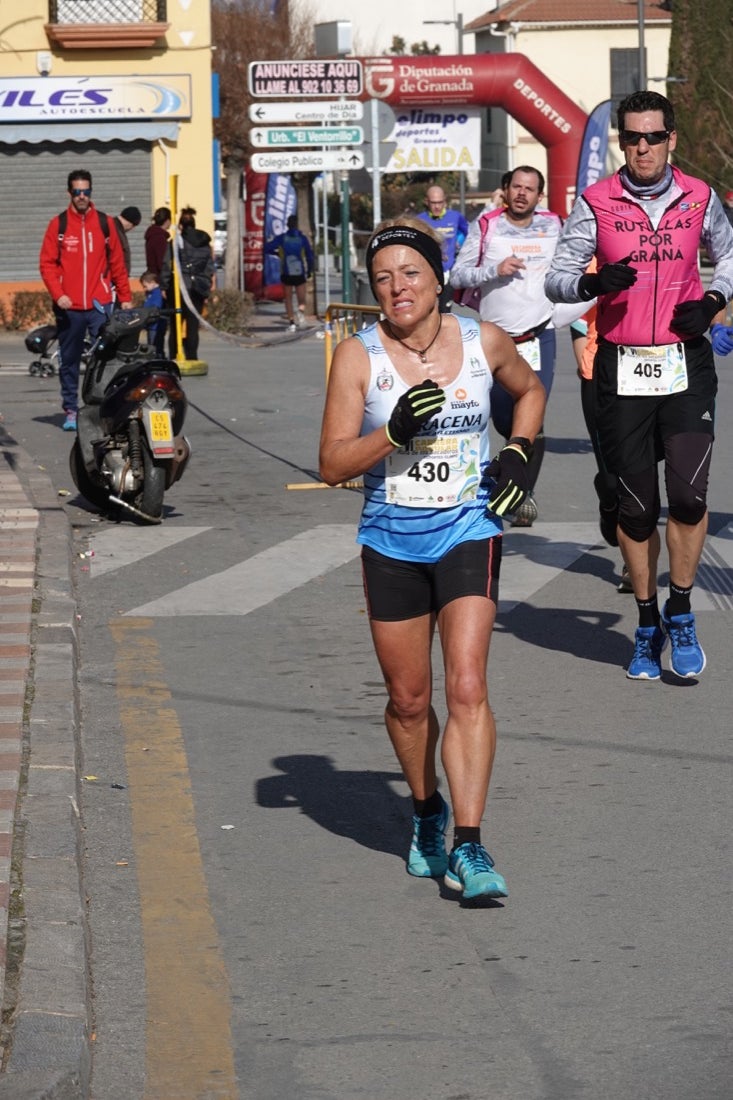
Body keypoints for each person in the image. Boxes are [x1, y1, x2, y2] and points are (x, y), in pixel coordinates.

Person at [318, 219, 545, 900]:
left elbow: (528, 391)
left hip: (467, 529)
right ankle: (426, 811)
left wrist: (518, 452)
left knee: (468, 685)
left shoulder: (482, 340)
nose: (396, 287)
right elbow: (330, 463)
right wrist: (390, 433)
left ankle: (469, 847)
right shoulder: (358, 358)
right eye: (383, 278)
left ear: (437, 278)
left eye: (409, 273)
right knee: (409, 701)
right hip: (390, 538)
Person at [545, 90, 733, 681]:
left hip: (684, 362)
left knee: (689, 496)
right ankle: (647, 619)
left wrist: (712, 301)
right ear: (622, 142)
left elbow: (731, 256)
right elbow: (556, 278)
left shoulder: (699, 197)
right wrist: (593, 285)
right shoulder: (596, 202)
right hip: (621, 365)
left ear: (671, 139)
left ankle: (681, 609)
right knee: (635, 506)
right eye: (632, 138)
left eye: (654, 136)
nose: (643, 147)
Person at [450, 165, 589, 527]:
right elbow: (457, 275)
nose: (522, 194)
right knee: (501, 418)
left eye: (530, 188)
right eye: (517, 187)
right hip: (495, 340)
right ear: (506, 190)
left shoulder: (555, 225)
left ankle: (523, 493)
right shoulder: (488, 225)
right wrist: (493, 269)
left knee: (533, 417)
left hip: (537, 336)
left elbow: (575, 267)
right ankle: (509, 472)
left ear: (539, 196)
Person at [39, 169, 132, 431]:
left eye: (86, 192)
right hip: (69, 308)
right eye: (77, 192)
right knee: (69, 360)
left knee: (105, 358)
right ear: (69, 193)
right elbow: (47, 265)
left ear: (91, 192)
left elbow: (117, 264)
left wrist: (124, 298)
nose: (82, 196)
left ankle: (105, 408)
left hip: (99, 305)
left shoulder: (104, 223)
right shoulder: (58, 225)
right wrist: (59, 295)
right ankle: (71, 409)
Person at [166, 206, 215, 361]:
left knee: (175, 325)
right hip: (197, 288)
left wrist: (163, 285)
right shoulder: (204, 243)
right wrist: (207, 288)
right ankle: (192, 357)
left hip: (179, 288)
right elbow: (209, 268)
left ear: (180, 226)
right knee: (193, 326)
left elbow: (167, 265)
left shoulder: (176, 242)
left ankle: (174, 355)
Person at [417, 185, 469, 312]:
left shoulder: (455, 217)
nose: (437, 207)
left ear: (445, 202)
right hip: (428, 272)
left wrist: (460, 242)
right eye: (433, 203)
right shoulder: (420, 220)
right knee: (428, 310)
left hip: (448, 272)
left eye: (440, 203)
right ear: (426, 202)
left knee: (445, 311)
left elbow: (469, 232)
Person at [265, 214, 314, 330]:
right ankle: (300, 311)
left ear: (287, 224)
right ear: (297, 224)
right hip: (299, 272)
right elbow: (309, 256)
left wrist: (277, 253)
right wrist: (310, 270)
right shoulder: (302, 238)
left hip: (286, 272)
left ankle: (291, 323)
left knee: (288, 298)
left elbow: (267, 247)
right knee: (302, 298)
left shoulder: (282, 238)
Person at [145, 207, 172, 356]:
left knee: (153, 319)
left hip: (151, 281)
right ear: (167, 221)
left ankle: (154, 350)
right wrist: (164, 285)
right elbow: (164, 264)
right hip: (159, 284)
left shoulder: (150, 236)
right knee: (159, 320)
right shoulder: (160, 239)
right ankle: (157, 352)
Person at [113, 206, 141, 276]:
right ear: (130, 222)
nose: (132, 228)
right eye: (133, 225)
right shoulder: (114, 230)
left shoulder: (117, 229)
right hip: (114, 278)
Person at [140, 270, 163, 349]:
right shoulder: (150, 293)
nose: (144, 289)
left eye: (145, 286)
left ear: (152, 282)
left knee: (153, 345)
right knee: (150, 343)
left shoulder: (157, 293)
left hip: (155, 326)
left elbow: (155, 307)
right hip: (150, 325)